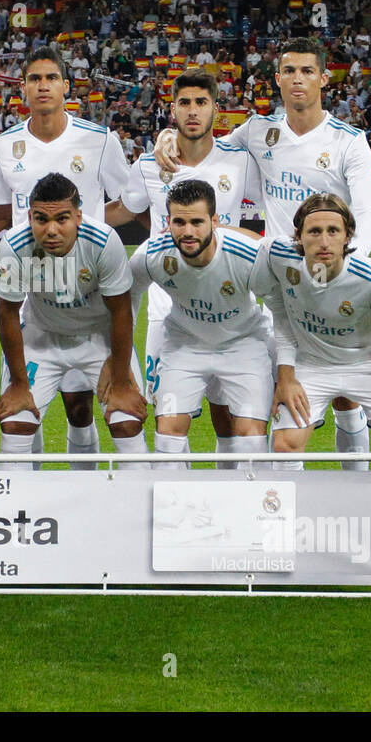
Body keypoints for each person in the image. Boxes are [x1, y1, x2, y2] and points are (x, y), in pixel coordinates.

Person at [154, 36, 371, 470]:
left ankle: (357, 495)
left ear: (323, 78)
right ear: (278, 78)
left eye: (307, 71)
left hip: (334, 280)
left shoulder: (348, 142)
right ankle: (278, 515)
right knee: (289, 404)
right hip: (280, 285)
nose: (298, 80)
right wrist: (167, 138)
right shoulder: (259, 132)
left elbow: (369, 210)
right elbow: (204, 143)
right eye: (290, 71)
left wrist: (345, 265)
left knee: (346, 398)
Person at [252, 193, 371, 580]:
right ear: (298, 237)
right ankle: (285, 538)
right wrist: (285, 375)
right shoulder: (278, 259)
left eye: (332, 231)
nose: (323, 240)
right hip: (311, 365)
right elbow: (278, 310)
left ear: (347, 236)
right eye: (313, 231)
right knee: (284, 444)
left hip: (370, 364)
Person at [0, 46, 136, 462]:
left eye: (51, 77)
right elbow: (2, 214)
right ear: (23, 89)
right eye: (34, 78)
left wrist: (89, 232)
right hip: (33, 288)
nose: (42, 85)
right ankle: (28, 505)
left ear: (66, 86)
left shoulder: (99, 140)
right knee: (25, 413)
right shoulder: (3, 146)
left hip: (88, 283)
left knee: (82, 407)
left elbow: (125, 204)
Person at [120, 70, 262, 458]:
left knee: (229, 417)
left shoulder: (240, 161)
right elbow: (123, 210)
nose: (193, 111)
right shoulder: (150, 165)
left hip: (231, 307)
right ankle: (171, 507)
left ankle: (229, 504)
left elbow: (277, 210)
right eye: (185, 102)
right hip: (169, 313)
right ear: (173, 110)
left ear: (216, 108)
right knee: (164, 420)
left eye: (201, 102)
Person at [0, 173, 147, 467]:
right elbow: (7, 312)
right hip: (41, 336)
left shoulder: (103, 242)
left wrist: (120, 376)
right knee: (15, 424)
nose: (51, 230)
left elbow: (121, 311)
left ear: (78, 216)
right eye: (41, 219)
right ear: (30, 217)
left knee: (127, 422)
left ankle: (135, 506)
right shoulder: (15, 246)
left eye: (62, 219)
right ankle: (16, 508)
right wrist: (17, 384)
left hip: (97, 337)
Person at [129, 180, 272, 470]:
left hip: (243, 345)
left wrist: (286, 372)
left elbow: (281, 309)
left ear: (215, 221)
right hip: (185, 346)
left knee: (250, 439)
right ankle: (174, 511)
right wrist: (122, 367)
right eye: (179, 222)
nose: (188, 231)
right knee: (167, 434)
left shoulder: (248, 255)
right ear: (167, 222)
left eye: (197, 221)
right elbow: (125, 300)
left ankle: (250, 512)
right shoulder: (151, 255)